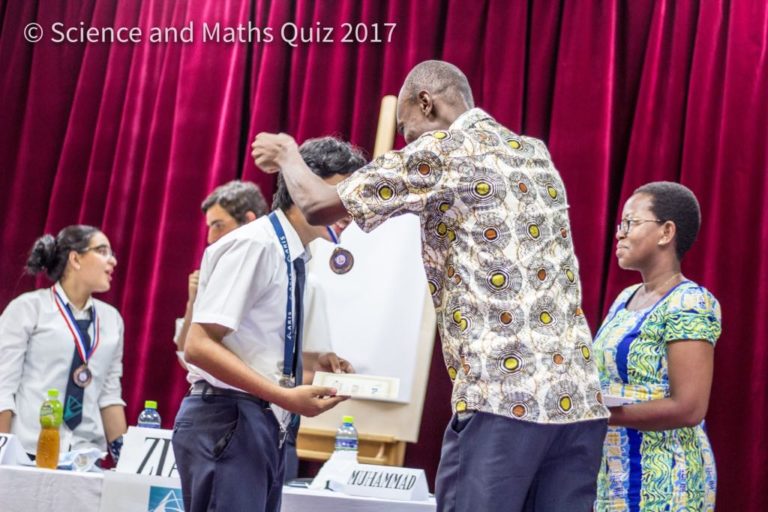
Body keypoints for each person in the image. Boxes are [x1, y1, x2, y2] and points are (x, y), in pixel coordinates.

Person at [251, 60, 609, 512]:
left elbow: (318, 205)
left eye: (406, 131)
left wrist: (287, 154)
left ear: (427, 103)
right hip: (579, 403)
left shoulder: (442, 150)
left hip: (505, 399)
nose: (407, 143)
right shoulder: (534, 153)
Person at [172, 136, 363, 512]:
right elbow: (198, 345)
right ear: (302, 184)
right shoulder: (256, 244)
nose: (350, 208)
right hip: (230, 416)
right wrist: (283, 396)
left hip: (260, 419)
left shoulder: (295, 254)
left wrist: (312, 364)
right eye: (342, 192)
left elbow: (254, 345)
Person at [592, 182, 720, 511]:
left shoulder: (689, 302)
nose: (619, 233)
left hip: (669, 481)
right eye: (620, 224)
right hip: (615, 476)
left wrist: (599, 414)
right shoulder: (624, 299)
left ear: (666, 232)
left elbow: (689, 408)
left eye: (631, 222)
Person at [0, 225, 127, 462]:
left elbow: (109, 395)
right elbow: (3, 387)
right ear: (75, 259)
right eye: (102, 251)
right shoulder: (28, 308)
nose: (113, 261)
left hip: (86, 457)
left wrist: (126, 462)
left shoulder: (112, 320)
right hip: (28, 452)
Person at [174, 180, 269, 358]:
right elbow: (185, 352)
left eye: (218, 225)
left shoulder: (280, 276)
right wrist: (193, 302)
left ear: (249, 221)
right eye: (210, 227)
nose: (210, 238)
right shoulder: (213, 275)